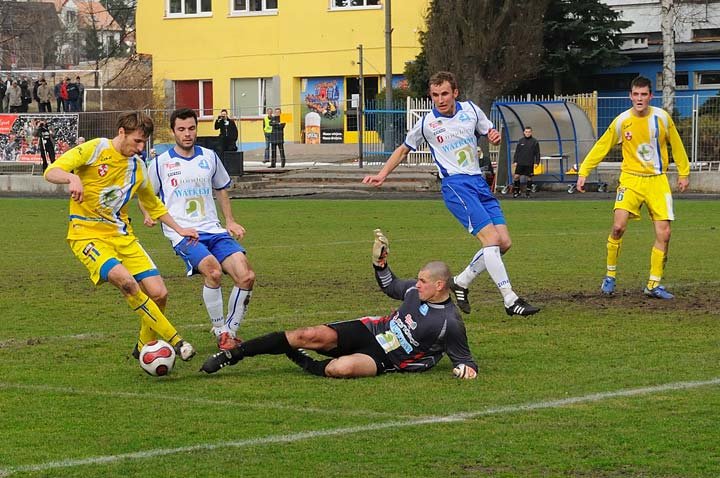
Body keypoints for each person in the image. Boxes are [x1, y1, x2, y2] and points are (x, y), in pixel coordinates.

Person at [362, 71, 539, 317]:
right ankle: (510, 299)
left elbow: (490, 133)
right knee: (491, 241)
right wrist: (382, 174)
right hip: (456, 186)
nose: (440, 99)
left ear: (455, 92)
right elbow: (403, 150)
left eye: (444, 93)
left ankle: (461, 282)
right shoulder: (426, 124)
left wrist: (494, 137)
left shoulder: (472, 110)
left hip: (478, 183)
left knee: (504, 243)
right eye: (435, 95)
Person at [201, 229, 478, 379]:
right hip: (371, 330)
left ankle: (307, 363)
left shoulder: (450, 323)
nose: (417, 285)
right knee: (305, 335)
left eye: (422, 281)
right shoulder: (415, 293)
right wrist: (380, 264)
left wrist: (465, 370)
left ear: (439, 285)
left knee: (339, 369)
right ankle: (233, 355)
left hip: (386, 359)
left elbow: (465, 360)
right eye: (417, 280)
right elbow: (390, 285)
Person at [43, 111, 199, 361]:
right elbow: (51, 171)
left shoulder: (137, 167)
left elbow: (153, 203)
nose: (140, 148)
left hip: (122, 236)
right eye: (137, 141)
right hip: (86, 235)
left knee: (160, 294)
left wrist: (180, 228)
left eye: (144, 143)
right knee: (127, 283)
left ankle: (143, 346)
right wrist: (71, 177)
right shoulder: (95, 149)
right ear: (122, 132)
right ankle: (177, 341)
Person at [146, 108, 255, 351]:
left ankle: (229, 332)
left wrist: (230, 221)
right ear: (173, 131)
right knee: (213, 272)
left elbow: (221, 189)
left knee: (246, 277)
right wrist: (148, 215)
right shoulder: (160, 163)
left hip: (214, 230)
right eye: (181, 129)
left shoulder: (210, 157)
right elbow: (147, 195)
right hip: (183, 232)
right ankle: (220, 330)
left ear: (196, 128)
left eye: (191, 128)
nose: (187, 134)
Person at [576, 75, 690, 299]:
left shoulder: (662, 118)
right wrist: (584, 171)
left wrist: (684, 173)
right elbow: (602, 145)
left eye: (644, 94)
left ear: (651, 96)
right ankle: (610, 276)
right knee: (618, 227)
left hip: (657, 181)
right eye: (636, 94)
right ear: (630, 96)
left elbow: (676, 144)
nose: (640, 99)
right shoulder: (621, 121)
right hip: (630, 179)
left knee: (664, 233)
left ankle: (653, 284)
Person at [512, 126, 540, 198]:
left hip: (529, 162)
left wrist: (537, 162)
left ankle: (528, 193)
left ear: (531, 132)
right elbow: (517, 152)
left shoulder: (535, 141)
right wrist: (515, 161)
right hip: (520, 162)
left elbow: (537, 153)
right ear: (524, 132)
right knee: (516, 176)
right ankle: (517, 191)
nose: (527, 133)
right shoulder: (520, 141)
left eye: (529, 132)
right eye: (526, 132)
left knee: (529, 177)